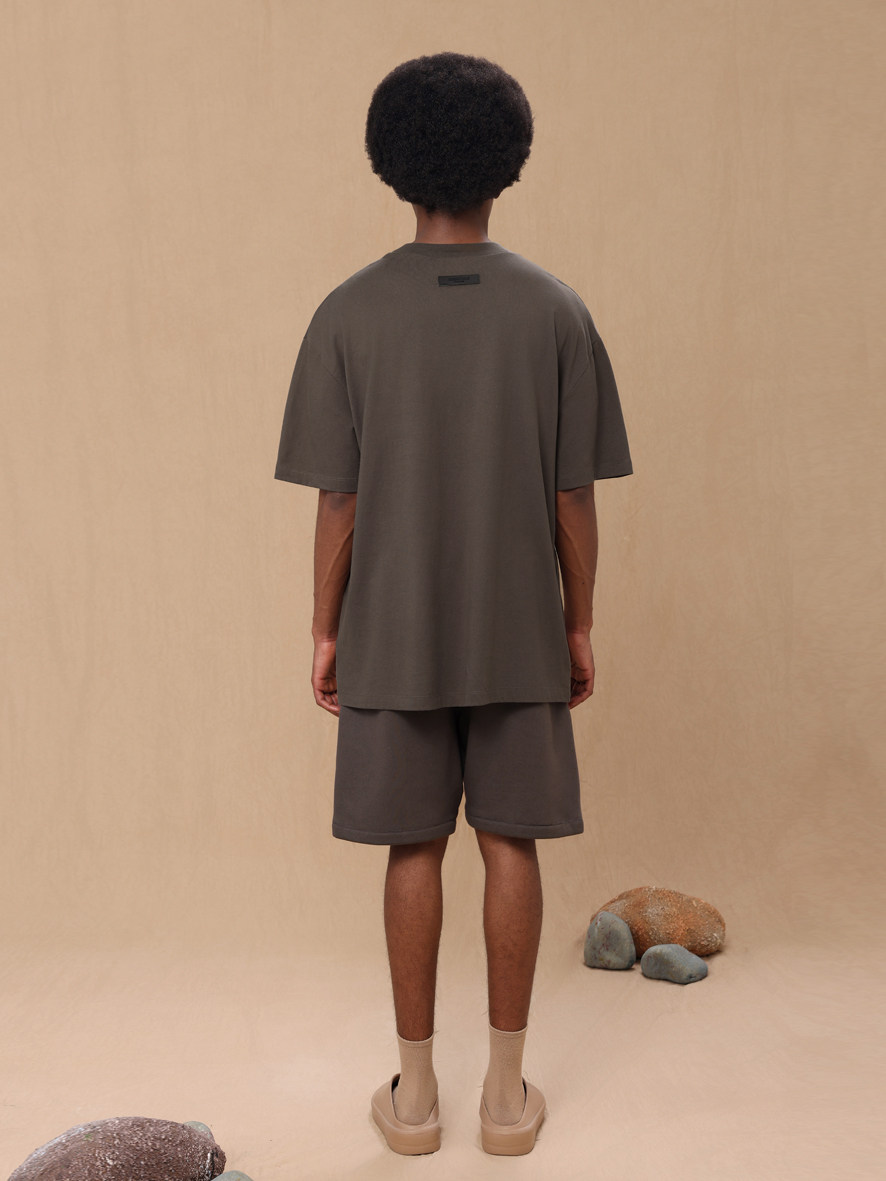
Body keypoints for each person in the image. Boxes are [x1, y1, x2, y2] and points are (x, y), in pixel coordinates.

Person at [274, 51, 633, 1157]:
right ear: (505, 161)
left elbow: (340, 500)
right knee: (511, 839)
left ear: (394, 163)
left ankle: (418, 1096)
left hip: (392, 628)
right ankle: (507, 1098)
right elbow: (572, 498)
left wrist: (326, 626)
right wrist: (577, 619)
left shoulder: (346, 314)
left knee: (413, 848)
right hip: (519, 627)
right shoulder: (557, 311)